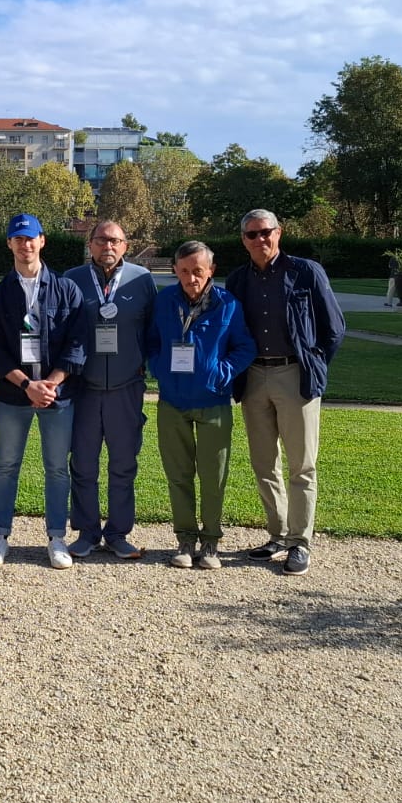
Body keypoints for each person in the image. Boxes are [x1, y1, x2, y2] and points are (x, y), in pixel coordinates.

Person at [223, 210, 346, 577]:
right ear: (243, 240)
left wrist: (314, 363)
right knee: (264, 463)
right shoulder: (239, 279)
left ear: (279, 233)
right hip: (254, 374)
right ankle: (277, 535)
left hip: (295, 373)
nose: (259, 240)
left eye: (265, 232)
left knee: (302, 465)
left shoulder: (305, 272)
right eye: (251, 235)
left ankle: (300, 541)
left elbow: (334, 328)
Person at [0, 213, 85, 568]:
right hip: (15, 396)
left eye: (31, 238)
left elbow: (76, 344)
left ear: (42, 240)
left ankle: (57, 538)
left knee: (57, 468)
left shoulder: (66, 289)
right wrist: (27, 386)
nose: (25, 245)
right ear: (9, 243)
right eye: (18, 239)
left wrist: (49, 386)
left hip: (57, 397)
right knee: (6, 466)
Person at [147, 241, 255, 570]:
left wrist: (221, 373)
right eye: (184, 271)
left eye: (198, 271)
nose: (191, 278)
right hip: (173, 401)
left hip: (214, 402)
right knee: (178, 475)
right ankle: (184, 538)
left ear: (210, 270)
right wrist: (160, 370)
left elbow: (245, 347)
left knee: (213, 476)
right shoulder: (164, 301)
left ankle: (210, 542)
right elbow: (150, 342)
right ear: (175, 271)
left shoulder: (227, 304)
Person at [66, 220, 155, 561]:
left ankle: (118, 533)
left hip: (126, 387)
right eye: (102, 239)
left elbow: (152, 330)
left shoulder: (141, 280)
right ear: (90, 244)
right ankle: (87, 532)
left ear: (126, 245)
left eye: (115, 240)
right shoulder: (72, 279)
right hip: (83, 388)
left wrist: (140, 364)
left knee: (123, 463)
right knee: (83, 464)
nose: (109, 245)